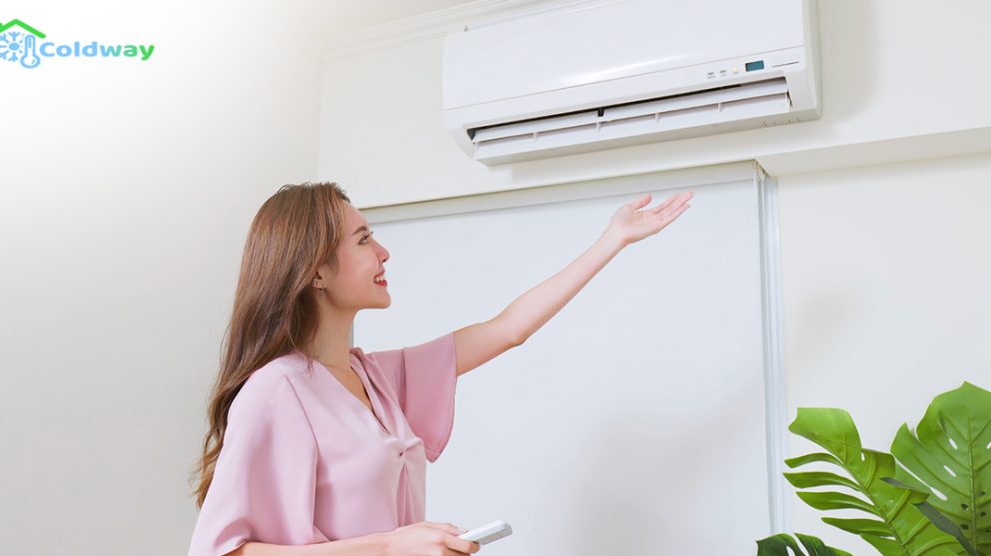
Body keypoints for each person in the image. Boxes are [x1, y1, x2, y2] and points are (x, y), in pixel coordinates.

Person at [187, 182, 693, 556]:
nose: (383, 252)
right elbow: (220, 552)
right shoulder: (275, 389)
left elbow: (509, 328)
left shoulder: (376, 379)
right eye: (363, 241)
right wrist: (389, 547)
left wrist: (613, 240)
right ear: (316, 270)